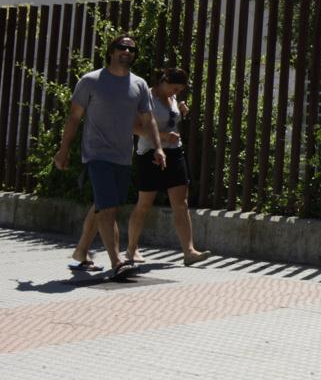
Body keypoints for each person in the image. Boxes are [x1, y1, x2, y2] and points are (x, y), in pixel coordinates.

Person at [54, 35, 165, 278]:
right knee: (109, 209)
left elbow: (149, 120)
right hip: (96, 153)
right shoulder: (91, 81)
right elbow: (74, 118)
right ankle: (117, 262)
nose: (127, 51)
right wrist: (63, 150)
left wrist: (158, 147)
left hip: (122, 155)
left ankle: (81, 252)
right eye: (121, 47)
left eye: (132, 49)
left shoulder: (139, 85)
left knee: (103, 204)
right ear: (111, 51)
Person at [126, 68, 209, 266]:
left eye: (179, 89)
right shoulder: (147, 97)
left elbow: (170, 120)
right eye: (174, 88)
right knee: (144, 204)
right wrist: (162, 138)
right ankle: (131, 249)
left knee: (181, 203)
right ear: (164, 81)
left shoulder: (173, 99)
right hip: (149, 153)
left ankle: (189, 251)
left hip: (174, 152)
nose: (175, 92)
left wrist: (180, 110)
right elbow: (135, 127)